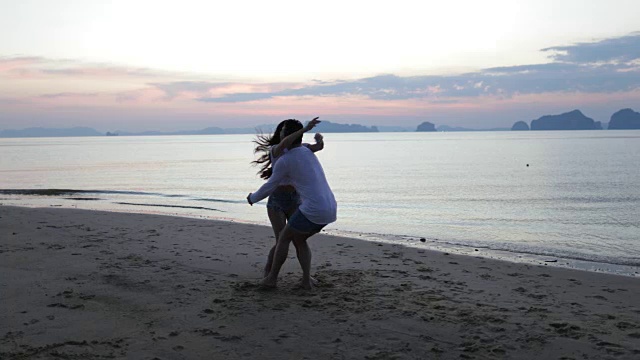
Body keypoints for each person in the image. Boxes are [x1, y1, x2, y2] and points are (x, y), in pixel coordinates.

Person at [247, 119, 337, 289]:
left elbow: (316, 148)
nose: (281, 134)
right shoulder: (277, 151)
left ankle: (292, 279)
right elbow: (285, 145)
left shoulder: (300, 150)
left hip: (297, 199)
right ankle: (270, 274)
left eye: (283, 131)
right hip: (277, 200)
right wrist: (304, 129)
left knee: (292, 239)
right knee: (282, 238)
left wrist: (319, 140)